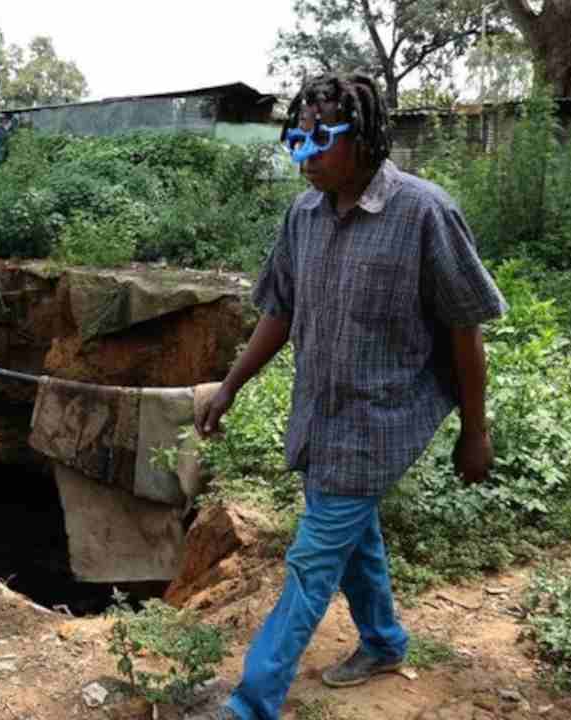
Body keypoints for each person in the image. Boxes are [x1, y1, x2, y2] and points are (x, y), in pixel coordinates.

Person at [190, 73, 508, 720]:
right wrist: (229, 388)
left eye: (320, 140)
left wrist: (476, 431)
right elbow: (280, 311)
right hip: (320, 416)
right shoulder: (303, 216)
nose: (304, 155)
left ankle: (250, 705)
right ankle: (385, 641)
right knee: (352, 537)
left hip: (379, 421)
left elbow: (463, 326)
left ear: (362, 139)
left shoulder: (424, 213)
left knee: (311, 563)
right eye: (295, 140)